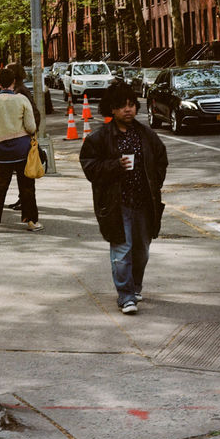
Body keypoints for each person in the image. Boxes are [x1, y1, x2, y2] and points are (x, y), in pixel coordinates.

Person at [79, 81, 168, 315]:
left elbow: (161, 161)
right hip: (116, 205)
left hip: (144, 203)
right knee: (122, 251)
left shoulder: (147, 135)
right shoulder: (99, 139)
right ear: (111, 110)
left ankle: (135, 287)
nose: (128, 110)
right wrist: (115, 166)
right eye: (121, 106)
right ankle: (125, 295)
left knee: (142, 251)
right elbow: (90, 167)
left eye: (131, 105)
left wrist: (154, 184)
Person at [0, 67, 41, 232]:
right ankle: (30, 220)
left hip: (1, 152)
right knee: (27, 186)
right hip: (22, 150)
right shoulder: (22, 100)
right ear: (14, 82)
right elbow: (31, 126)